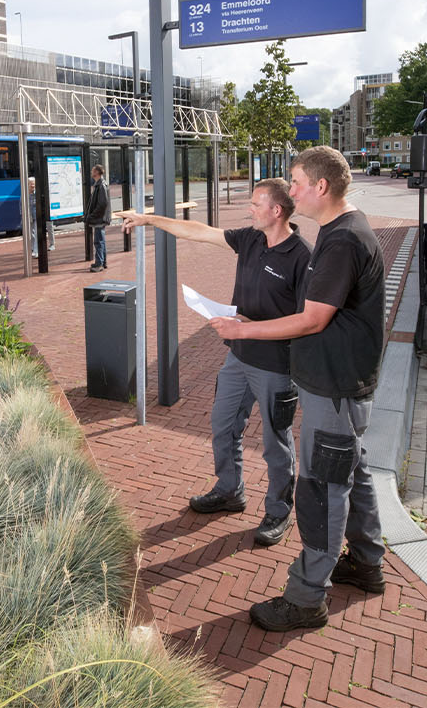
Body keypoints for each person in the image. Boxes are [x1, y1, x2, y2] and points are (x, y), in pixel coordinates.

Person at [211, 146, 387, 632]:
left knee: (321, 488)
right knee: (355, 470)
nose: (290, 191)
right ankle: (368, 564)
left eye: (295, 181)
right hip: (334, 384)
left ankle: (307, 598)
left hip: (334, 387)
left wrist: (242, 330)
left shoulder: (342, 241)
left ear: (321, 187)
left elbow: (313, 318)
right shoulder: (338, 232)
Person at [123, 179, 310, 547]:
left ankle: (278, 510)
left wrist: (247, 328)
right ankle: (229, 491)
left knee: (276, 442)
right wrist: (149, 220)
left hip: (276, 366)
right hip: (238, 359)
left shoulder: (303, 256)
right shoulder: (251, 239)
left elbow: (306, 321)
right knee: (222, 425)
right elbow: (200, 232)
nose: (250, 210)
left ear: (276, 211)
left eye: (256, 204)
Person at [86, 165, 110, 272]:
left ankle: (99, 263)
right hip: (101, 218)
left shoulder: (101, 186)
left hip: (100, 218)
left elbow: (102, 204)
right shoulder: (99, 185)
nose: (91, 172)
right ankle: (102, 262)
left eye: (93, 170)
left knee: (98, 241)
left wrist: (92, 215)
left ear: (97, 172)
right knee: (101, 241)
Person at [28, 176, 55, 258]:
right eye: (30, 184)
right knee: (34, 233)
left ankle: (52, 244)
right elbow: (22, 204)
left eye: (33, 184)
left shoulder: (40, 192)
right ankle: (34, 248)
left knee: (49, 228)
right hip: (34, 216)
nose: (32, 186)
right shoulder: (27, 194)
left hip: (45, 214)